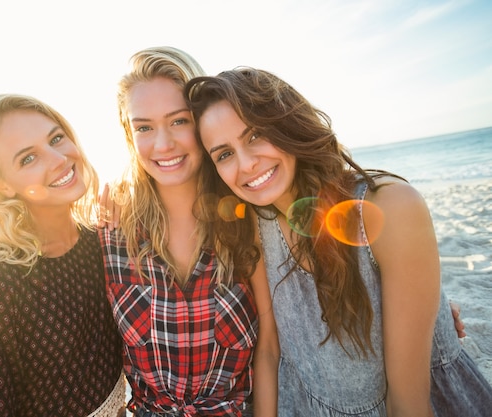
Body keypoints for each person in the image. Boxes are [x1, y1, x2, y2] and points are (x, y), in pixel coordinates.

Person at [185, 67, 492, 416]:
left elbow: (408, 402)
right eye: (224, 154)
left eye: (254, 135)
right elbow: (270, 350)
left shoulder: (389, 206)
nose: (247, 164)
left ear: (285, 122)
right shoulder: (256, 221)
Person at [98, 47, 279, 416]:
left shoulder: (248, 222)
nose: (163, 144)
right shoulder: (110, 233)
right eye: (144, 127)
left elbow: (269, 348)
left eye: (178, 121)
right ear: (128, 135)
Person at [0, 94, 125, 417]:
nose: (58, 159)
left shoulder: (104, 245)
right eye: (28, 159)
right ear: (0, 186)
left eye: (56, 138)